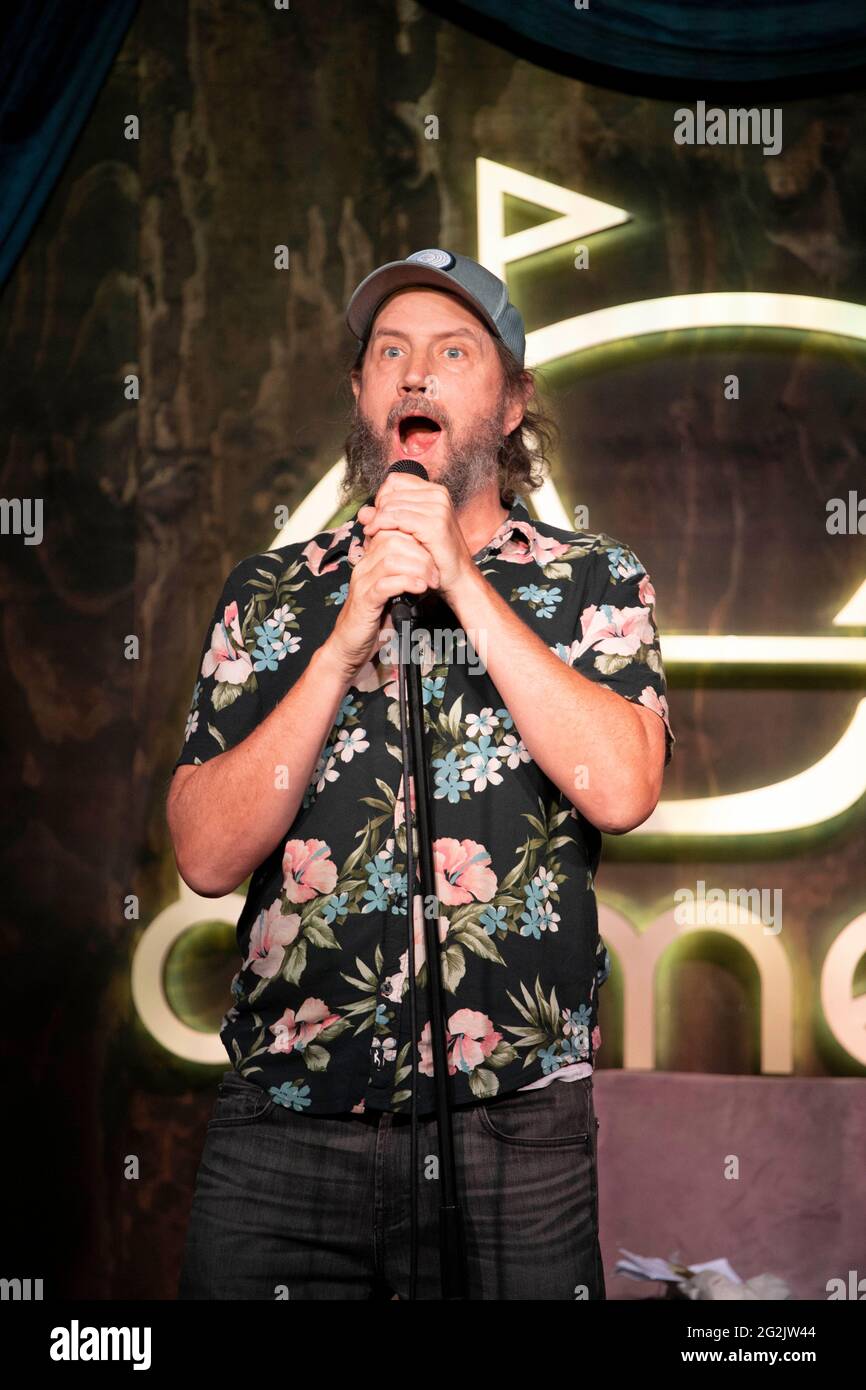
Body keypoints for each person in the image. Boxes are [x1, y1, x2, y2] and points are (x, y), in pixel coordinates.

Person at [168, 248, 676, 1300]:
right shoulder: (272, 592)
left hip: (514, 1129)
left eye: (452, 351)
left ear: (512, 401)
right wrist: (344, 637)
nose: (414, 373)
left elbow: (620, 787)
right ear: (361, 395)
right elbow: (206, 854)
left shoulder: (591, 581)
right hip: (287, 1125)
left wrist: (460, 577)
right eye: (388, 351)